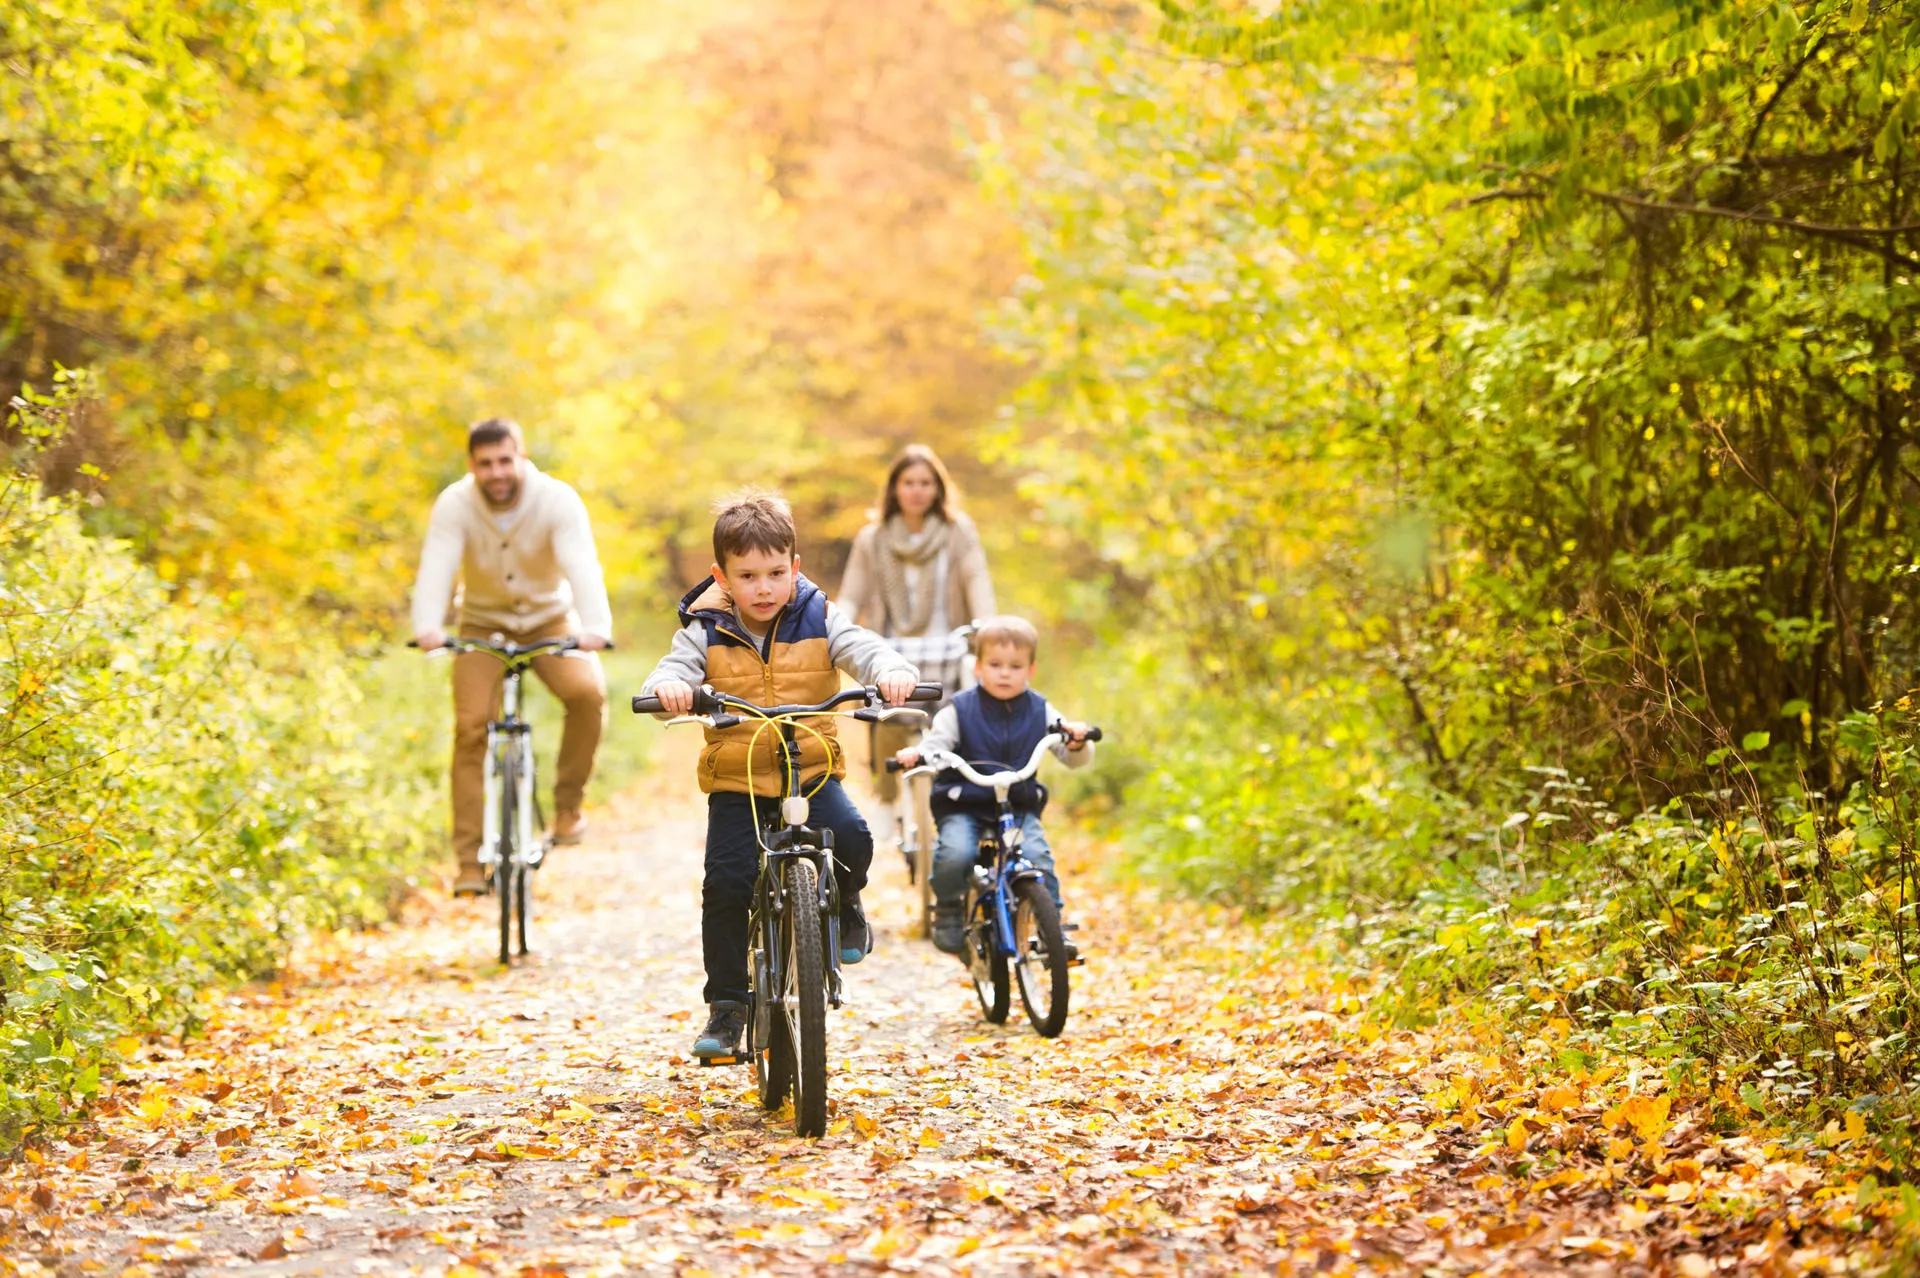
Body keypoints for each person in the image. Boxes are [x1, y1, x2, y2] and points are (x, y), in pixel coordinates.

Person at [640, 491, 918, 1060]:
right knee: (726, 882)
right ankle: (728, 1007)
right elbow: (674, 669)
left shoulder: (818, 614)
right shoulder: (705, 627)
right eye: (747, 576)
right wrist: (669, 690)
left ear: (794, 568)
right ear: (722, 577)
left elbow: (858, 646)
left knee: (854, 837)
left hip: (809, 770)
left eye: (774, 573)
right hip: (737, 778)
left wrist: (887, 669)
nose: (763, 588)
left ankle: (844, 905)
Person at [411, 418, 612, 897]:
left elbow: (581, 564)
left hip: (550, 620)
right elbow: (436, 564)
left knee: (587, 694)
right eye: (485, 464)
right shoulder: (455, 504)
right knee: (470, 726)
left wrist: (595, 628)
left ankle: (567, 808)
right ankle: (466, 862)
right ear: (471, 466)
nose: (496, 472)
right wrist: (428, 627)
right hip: (482, 625)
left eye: (505, 460)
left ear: (521, 456)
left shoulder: (556, 499)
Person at [894, 615, 1094, 958]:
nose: (1005, 673)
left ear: (1030, 670)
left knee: (1038, 857)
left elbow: (1068, 749)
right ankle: (948, 910)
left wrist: (1075, 741)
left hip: (1016, 806)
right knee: (955, 852)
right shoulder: (959, 710)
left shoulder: (1040, 709)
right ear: (978, 667)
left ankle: (1051, 926)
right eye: (995, 664)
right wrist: (920, 755)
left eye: (1015, 666)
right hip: (964, 803)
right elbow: (936, 745)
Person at [838, 445, 997, 807]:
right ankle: (887, 798)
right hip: (891, 647)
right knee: (885, 717)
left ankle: (959, 795)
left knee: (961, 720)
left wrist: (988, 628)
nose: (917, 490)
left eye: (926, 482)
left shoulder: (958, 532)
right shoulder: (872, 537)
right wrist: (834, 628)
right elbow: (852, 594)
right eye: (909, 482)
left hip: (948, 645)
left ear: (938, 488)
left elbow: (978, 583)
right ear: (895, 488)